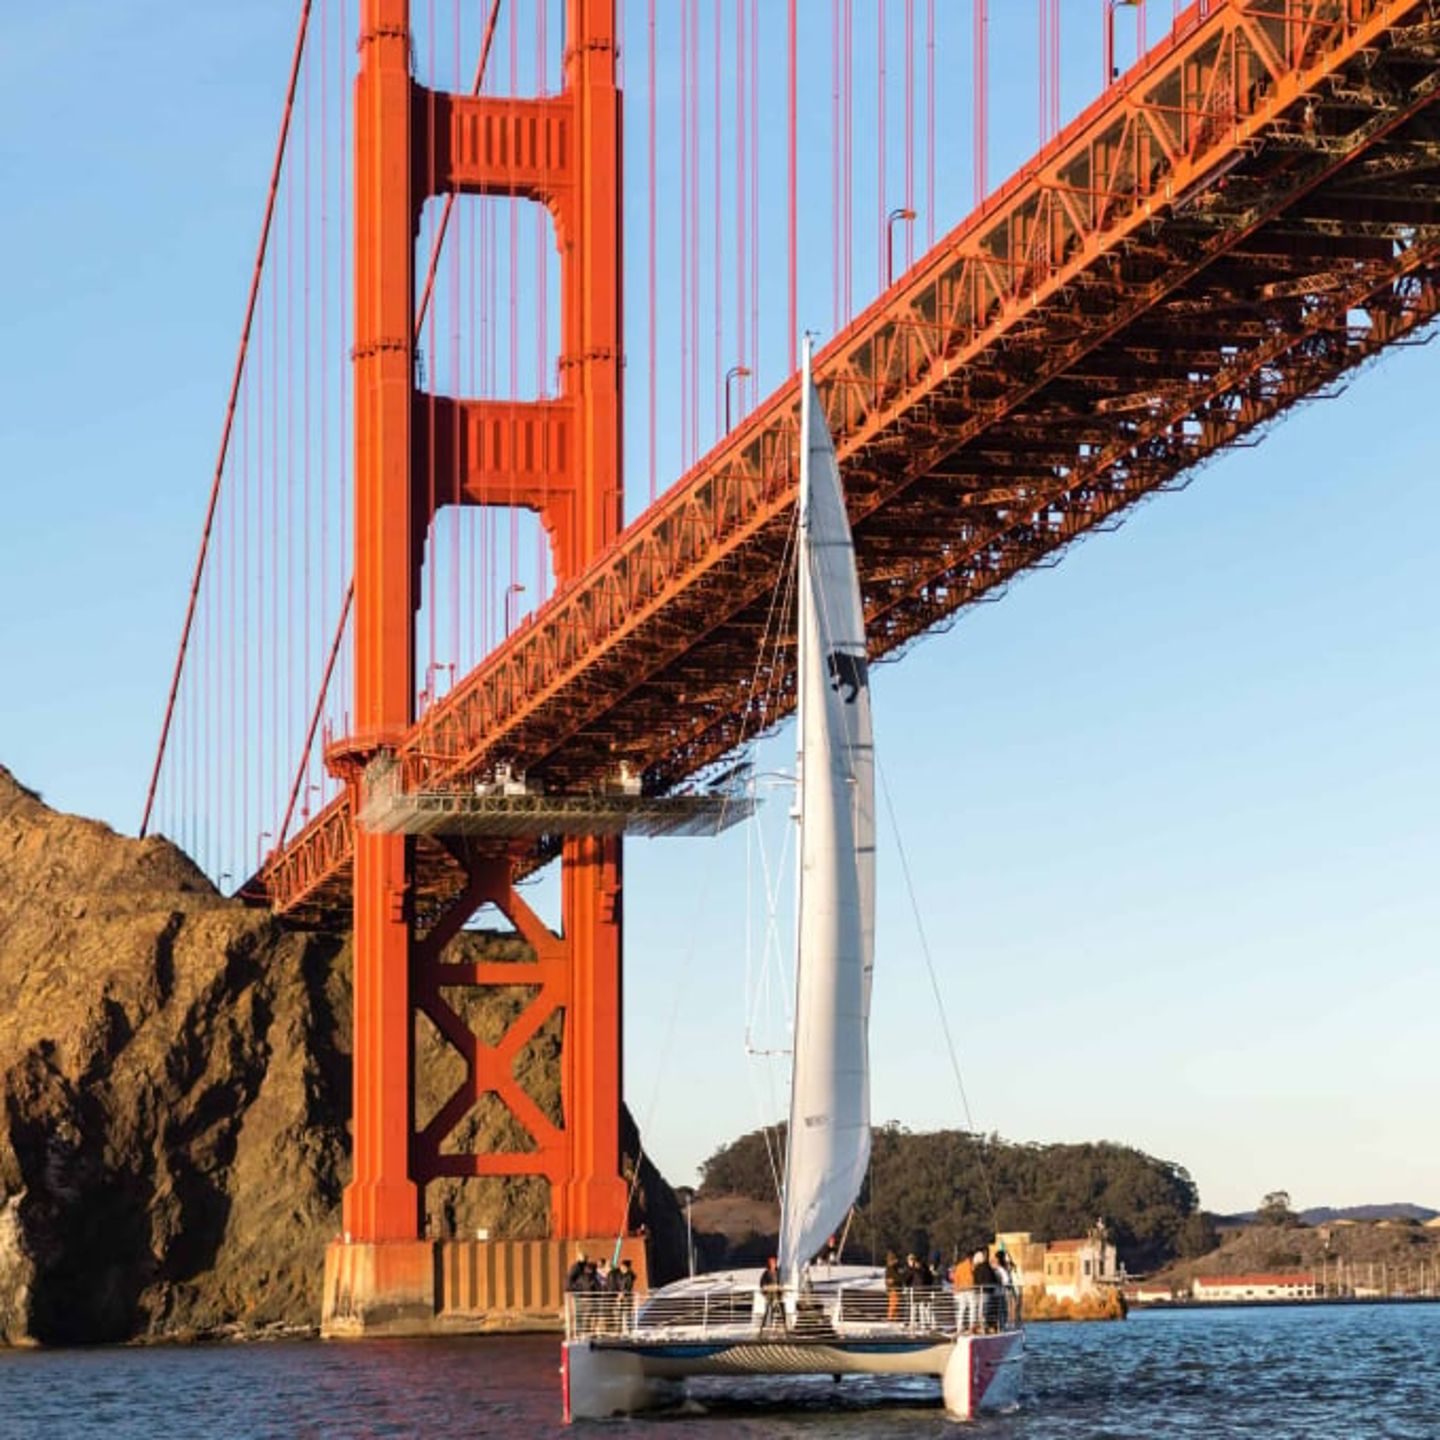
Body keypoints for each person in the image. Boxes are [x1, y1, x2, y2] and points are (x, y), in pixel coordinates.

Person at [971, 1249, 999, 1331]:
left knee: (980, 1311)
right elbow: (992, 1280)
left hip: (978, 1292)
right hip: (986, 1292)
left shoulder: (977, 1269)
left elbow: (975, 1281)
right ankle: (984, 1327)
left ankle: (981, 1326)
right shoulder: (987, 1268)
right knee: (985, 1311)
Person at [759, 1256, 786, 1333]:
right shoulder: (766, 1274)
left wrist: (781, 1290)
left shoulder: (778, 1272)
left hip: (778, 1295)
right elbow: (762, 1284)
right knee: (768, 1310)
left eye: (773, 1263)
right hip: (769, 1295)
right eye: (770, 1263)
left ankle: (784, 1325)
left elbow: (781, 1282)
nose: (772, 1264)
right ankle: (765, 1326)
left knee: (781, 1308)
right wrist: (765, 1291)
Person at [951, 1251, 976, 1332]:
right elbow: (973, 1277)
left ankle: (959, 1326)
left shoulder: (959, 1266)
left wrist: (956, 1289)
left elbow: (956, 1278)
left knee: (962, 1309)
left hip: (961, 1290)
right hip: (970, 1289)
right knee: (972, 1308)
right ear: (971, 1257)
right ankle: (971, 1326)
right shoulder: (972, 1266)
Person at [884, 1250, 905, 1322]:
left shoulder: (894, 1268)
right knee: (894, 1305)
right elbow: (897, 1277)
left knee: (896, 1306)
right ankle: (891, 1319)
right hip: (894, 1289)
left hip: (896, 1289)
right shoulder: (891, 1268)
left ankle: (895, 1319)